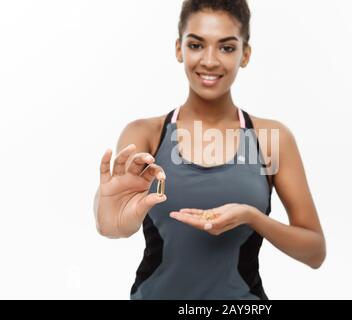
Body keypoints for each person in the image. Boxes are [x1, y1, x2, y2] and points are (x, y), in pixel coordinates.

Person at [93, 0, 326, 300]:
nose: (210, 61)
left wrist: (252, 217)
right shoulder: (146, 135)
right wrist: (109, 219)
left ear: (246, 55)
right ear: (179, 49)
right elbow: (113, 225)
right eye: (196, 45)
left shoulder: (270, 139)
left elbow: (315, 252)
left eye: (226, 47)